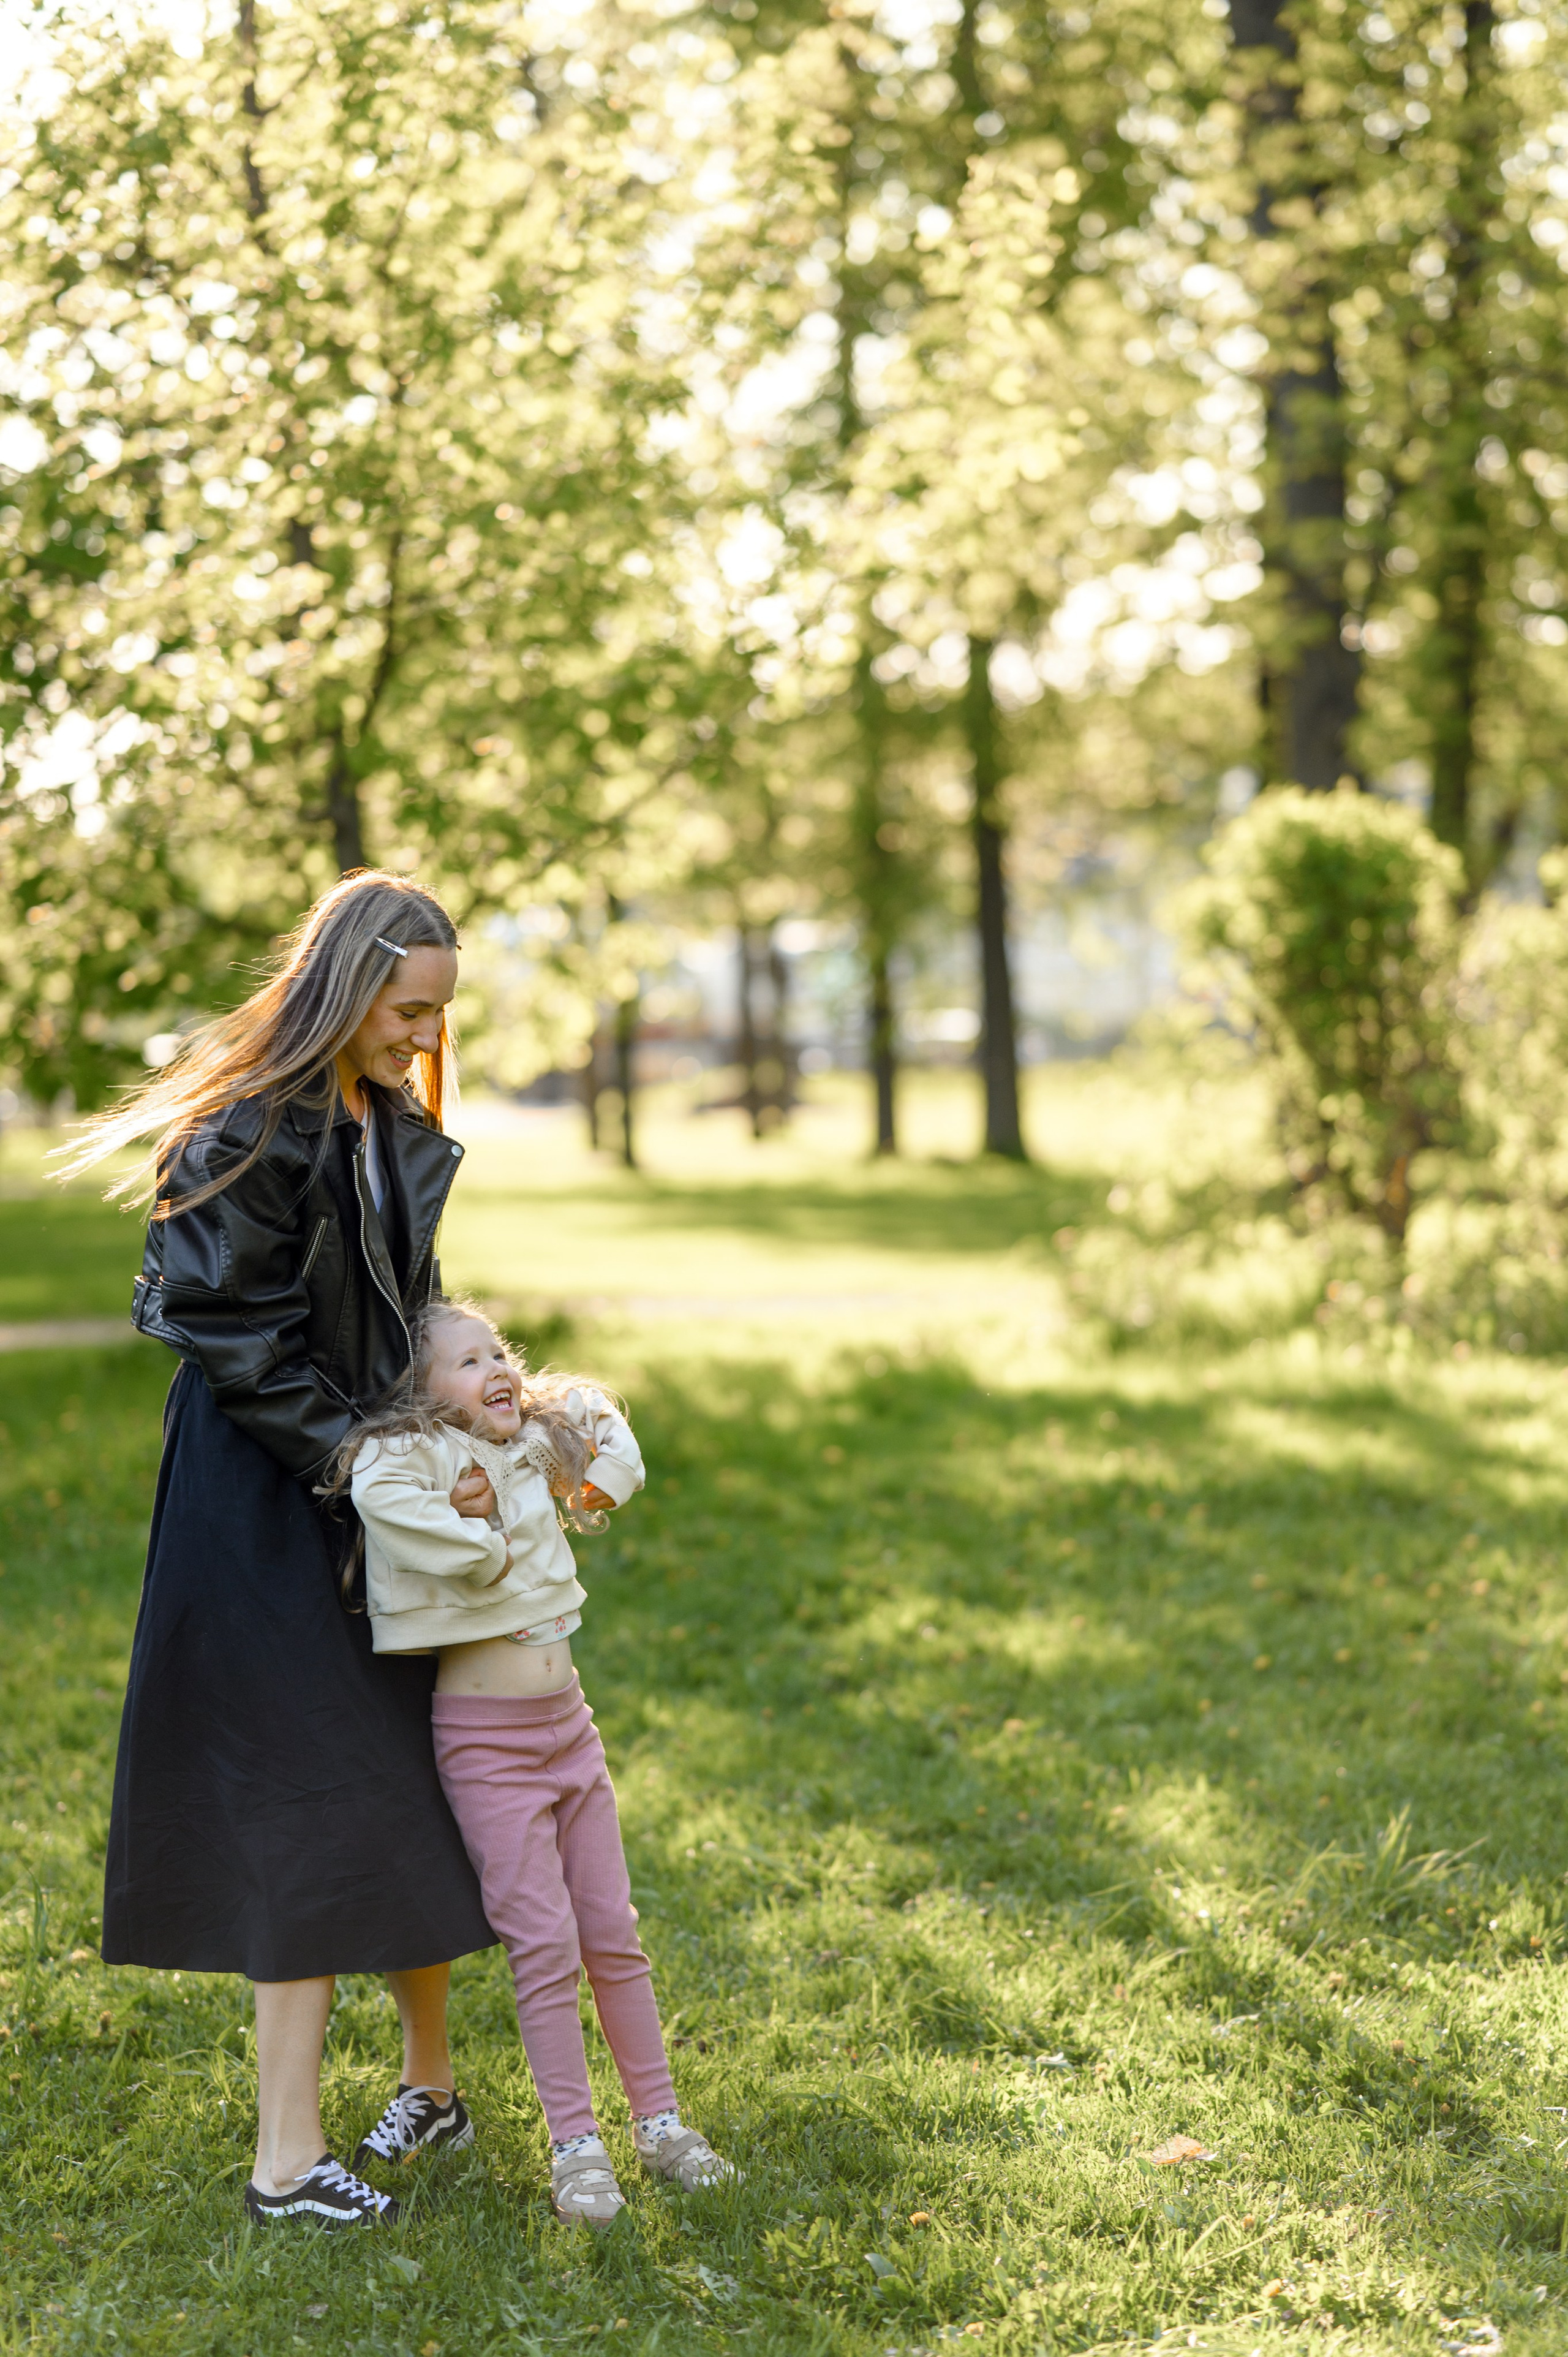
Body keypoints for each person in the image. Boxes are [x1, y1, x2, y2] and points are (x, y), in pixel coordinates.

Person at [58, 871, 499, 2228]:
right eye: (405, 1009)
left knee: (409, 1766)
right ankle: (284, 2162)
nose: (420, 1036)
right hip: (264, 1499)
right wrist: (360, 1457)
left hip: (380, 1480)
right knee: (304, 1798)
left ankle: (428, 2086)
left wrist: (491, 1414)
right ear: (349, 984)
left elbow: (399, 1308)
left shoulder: (392, 1120)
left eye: (437, 1014)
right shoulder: (244, 1130)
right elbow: (233, 1335)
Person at [330, 1293, 734, 2228]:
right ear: (423, 1393)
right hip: (489, 1749)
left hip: (569, 1726)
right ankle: (577, 2147)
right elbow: (381, 1497)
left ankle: (662, 2124)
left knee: (613, 1933)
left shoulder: (527, 1446)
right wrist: (478, 1537)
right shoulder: (416, 1456)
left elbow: (601, 1425)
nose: (494, 1370)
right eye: (465, 1363)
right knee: (545, 1946)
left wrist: (583, 1457)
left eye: (498, 1352)